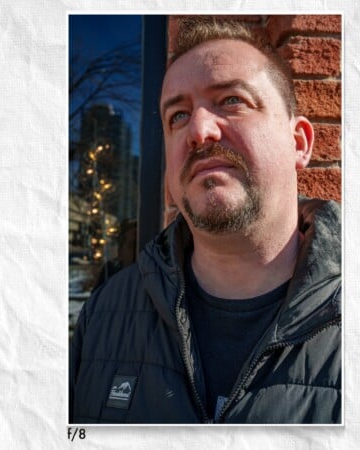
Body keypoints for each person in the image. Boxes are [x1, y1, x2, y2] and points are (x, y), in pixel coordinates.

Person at [69, 18, 341, 424]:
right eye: (177, 116)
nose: (198, 129)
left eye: (232, 100)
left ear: (298, 143)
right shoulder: (104, 315)